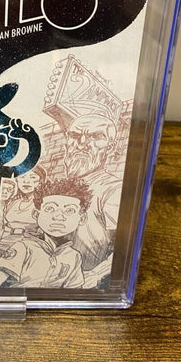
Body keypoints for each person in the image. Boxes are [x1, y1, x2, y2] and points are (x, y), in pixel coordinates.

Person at [0, 176, 91, 289]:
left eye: (69, 210)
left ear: (82, 219)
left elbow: (75, 292)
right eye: (50, 208)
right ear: (36, 214)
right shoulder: (24, 248)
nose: (59, 217)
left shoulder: (74, 256)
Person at [64, 108, 121, 282]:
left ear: (110, 147)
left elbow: (123, 247)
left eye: (96, 137)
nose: (82, 143)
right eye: (75, 135)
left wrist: (95, 276)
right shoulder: (60, 187)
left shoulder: (113, 189)